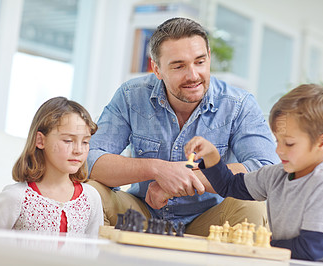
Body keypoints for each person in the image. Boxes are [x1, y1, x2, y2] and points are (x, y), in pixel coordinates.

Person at [87, 17, 279, 236]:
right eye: (179, 66)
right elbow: (91, 158)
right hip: (142, 214)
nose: (193, 75)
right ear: (157, 70)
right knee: (91, 193)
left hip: (211, 219)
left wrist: (182, 179)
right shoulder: (131, 96)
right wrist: (157, 170)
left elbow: (265, 169)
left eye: (200, 61)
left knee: (251, 206)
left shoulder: (239, 104)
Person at [184, 84, 323, 264]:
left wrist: (261, 244)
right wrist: (212, 155)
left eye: (289, 143)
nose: (279, 150)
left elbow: (311, 248)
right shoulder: (277, 174)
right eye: (278, 141)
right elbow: (229, 186)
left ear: (322, 143)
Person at [0, 97, 104, 236]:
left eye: (85, 142)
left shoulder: (91, 198)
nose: (79, 150)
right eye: (68, 140)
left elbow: (94, 251)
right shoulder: (15, 198)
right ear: (40, 140)